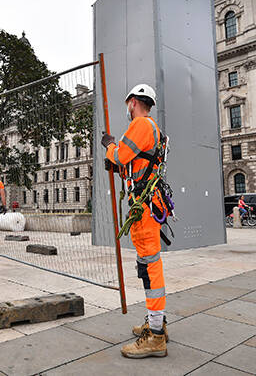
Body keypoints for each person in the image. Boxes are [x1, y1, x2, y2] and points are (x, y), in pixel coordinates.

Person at [101, 83, 168, 359]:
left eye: (127, 105)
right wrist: (118, 167)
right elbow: (133, 164)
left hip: (145, 206)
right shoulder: (153, 130)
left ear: (132, 102)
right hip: (148, 204)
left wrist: (109, 147)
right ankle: (156, 322)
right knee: (147, 265)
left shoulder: (141, 125)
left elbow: (121, 154)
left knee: (150, 267)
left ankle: (155, 336)